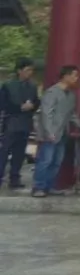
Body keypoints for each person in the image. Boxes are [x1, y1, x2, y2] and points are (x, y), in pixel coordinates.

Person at [33, 65, 80, 197]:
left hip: (63, 132)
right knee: (45, 160)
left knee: (57, 161)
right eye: (74, 75)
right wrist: (49, 132)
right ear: (66, 76)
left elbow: (71, 114)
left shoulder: (70, 95)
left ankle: (49, 186)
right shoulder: (52, 92)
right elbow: (46, 114)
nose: (76, 78)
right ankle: (38, 187)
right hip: (50, 133)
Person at [0, 57, 40, 189]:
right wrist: (19, 107)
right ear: (19, 71)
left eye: (31, 70)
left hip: (25, 122)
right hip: (11, 121)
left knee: (20, 152)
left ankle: (15, 178)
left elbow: (36, 101)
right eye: (27, 70)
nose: (30, 73)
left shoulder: (33, 86)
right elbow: (3, 104)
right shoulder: (8, 85)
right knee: (4, 151)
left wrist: (32, 106)